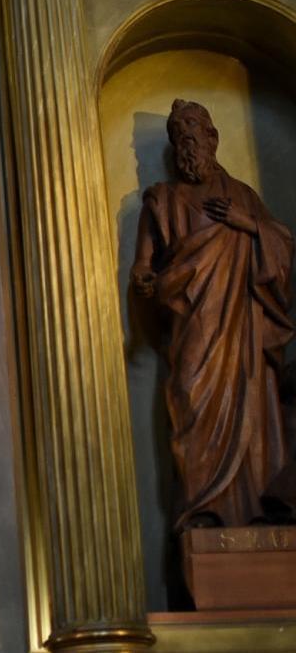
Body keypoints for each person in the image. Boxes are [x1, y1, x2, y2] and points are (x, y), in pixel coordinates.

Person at [131, 99, 295, 530]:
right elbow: (144, 262)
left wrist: (249, 224)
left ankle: (259, 511)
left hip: (243, 330)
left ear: (212, 138)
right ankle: (202, 510)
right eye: (178, 136)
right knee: (190, 398)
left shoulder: (242, 196)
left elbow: (284, 246)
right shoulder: (162, 201)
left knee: (257, 416)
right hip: (194, 326)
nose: (187, 143)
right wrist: (144, 277)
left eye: (193, 133)